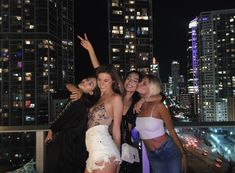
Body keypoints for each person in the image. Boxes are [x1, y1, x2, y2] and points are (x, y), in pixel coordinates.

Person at [44, 76, 100, 173]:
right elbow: (66, 84)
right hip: (70, 147)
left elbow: (64, 117)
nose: (85, 81)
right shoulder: (81, 99)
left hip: (66, 147)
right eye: (87, 79)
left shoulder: (80, 102)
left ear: (91, 92)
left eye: (90, 84)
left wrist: (52, 129)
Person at [135, 74, 187, 173]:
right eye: (141, 81)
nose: (139, 83)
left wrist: (183, 154)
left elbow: (171, 130)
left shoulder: (159, 106)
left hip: (168, 150)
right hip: (152, 154)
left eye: (144, 83)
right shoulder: (139, 106)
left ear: (152, 88)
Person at [84, 64, 123, 173]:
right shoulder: (98, 97)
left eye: (106, 80)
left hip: (105, 151)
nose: (101, 83)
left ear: (113, 81)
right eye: (99, 79)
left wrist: (118, 157)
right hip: (92, 151)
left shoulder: (115, 98)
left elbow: (116, 130)